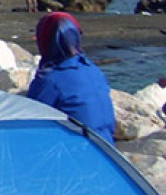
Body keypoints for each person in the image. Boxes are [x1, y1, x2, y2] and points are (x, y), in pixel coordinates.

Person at [27, 12, 116, 143]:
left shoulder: (50, 79)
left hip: (79, 151)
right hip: (107, 147)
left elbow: (30, 121)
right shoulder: (92, 69)